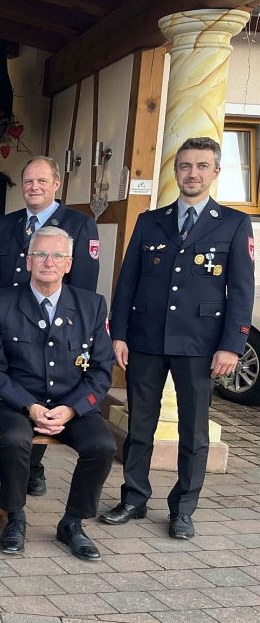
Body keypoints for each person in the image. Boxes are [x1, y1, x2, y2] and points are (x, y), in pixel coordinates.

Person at [103, 136, 254, 539]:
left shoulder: (234, 224)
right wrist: (119, 334)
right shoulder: (151, 220)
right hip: (147, 338)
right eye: (186, 166)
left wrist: (232, 345)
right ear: (176, 171)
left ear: (216, 173)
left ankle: (183, 508)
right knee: (140, 426)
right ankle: (133, 498)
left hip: (200, 344)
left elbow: (241, 290)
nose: (192, 173)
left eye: (202, 166)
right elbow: (128, 281)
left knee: (194, 431)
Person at [0, 226, 115, 560]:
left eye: (57, 255)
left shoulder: (92, 305)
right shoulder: (1, 302)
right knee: (14, 439)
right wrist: (29, 406)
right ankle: (14, 516)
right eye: (40, 254)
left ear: (69, 263)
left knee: (102, 445)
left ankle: (72, 522)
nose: (48, 262)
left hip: (71, 401)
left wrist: (71, 409)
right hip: (15, 400)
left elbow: (101, 371)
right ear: (28, 261)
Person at [0, 155, 101, 494]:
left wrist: (75, 327)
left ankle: (34, 466)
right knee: (8, 384)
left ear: (56, 184)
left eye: (42, 181)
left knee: (50, 380)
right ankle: (5, 463)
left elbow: (84, 286)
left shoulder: (78, 223)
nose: (34, 187)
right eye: (28, 181)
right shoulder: (7, 223)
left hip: (56, 322)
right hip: (7, 319)